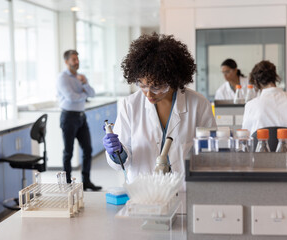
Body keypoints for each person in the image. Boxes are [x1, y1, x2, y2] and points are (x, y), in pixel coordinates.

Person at [102, 33, 217, 183]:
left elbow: (211, 152)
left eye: (156, 87)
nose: (148, 93)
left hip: (184, 188)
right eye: (142, 85)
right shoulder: (129, 105)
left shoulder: (198, 104)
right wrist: (118, 152)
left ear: (173, 80)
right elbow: (122, 162)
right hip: (143, 189)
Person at [57, 50, 102, 191]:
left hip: (81, 117)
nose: (77, 62)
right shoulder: (62, 78)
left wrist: (85, 84)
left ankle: (86, 181)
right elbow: (71, 97)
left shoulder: (80, 77)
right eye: (73, 59)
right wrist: (84, 94)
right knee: (68, 152)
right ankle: (67, 183)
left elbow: (92, 94)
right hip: (68, 117)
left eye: (77, 59)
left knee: (88, 149)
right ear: (66, 61)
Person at [242, 60, 287, 136]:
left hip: (261, 147)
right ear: (275, 78)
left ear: (256, 82)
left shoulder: (251, 105)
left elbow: (245, 136)